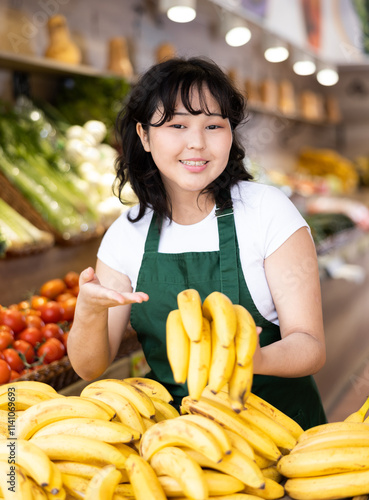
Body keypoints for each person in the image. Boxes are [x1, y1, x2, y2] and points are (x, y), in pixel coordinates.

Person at [68, 56, 327, 429]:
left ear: (230, 134)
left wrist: (252, 360)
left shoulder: (266, 211)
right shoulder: (127, 234)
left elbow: (310, 345)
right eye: (177, 125)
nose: (197, 143)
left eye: (213, 125)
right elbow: (89, 366)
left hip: (279, 436)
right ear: (144, 136)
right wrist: (89, 312)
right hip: (181, 442)